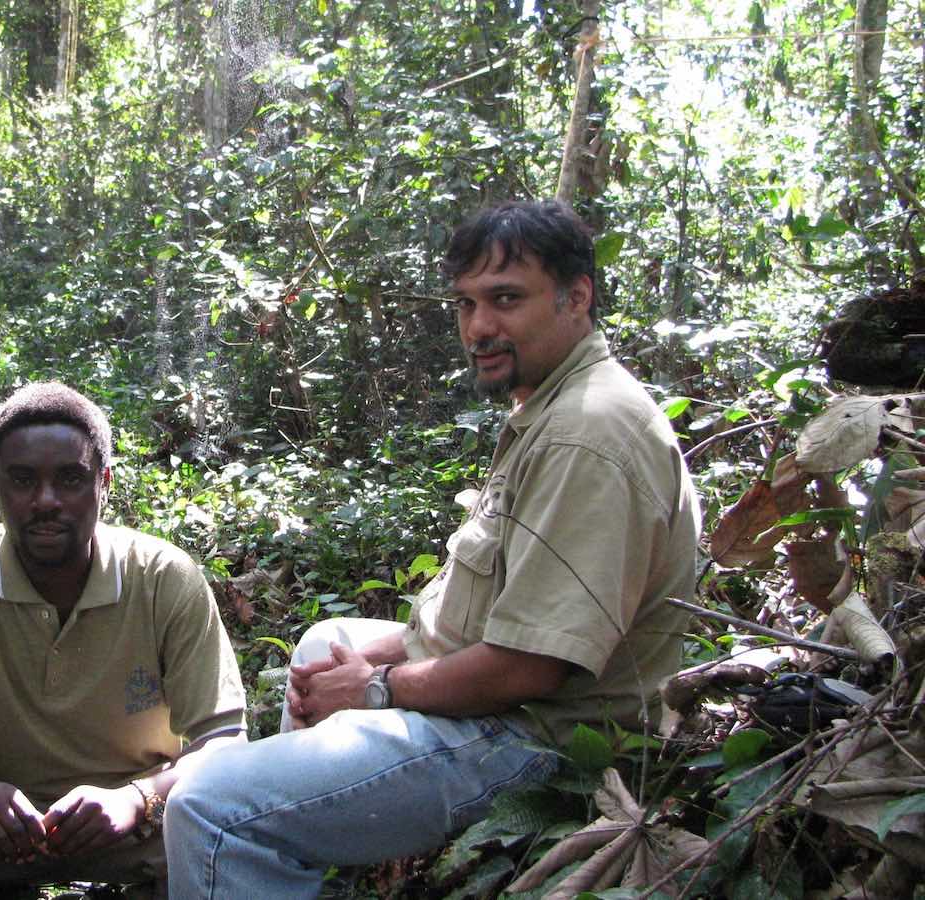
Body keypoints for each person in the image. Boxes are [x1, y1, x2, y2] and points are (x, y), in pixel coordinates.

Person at [165, 200, 702, 899]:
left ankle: (256, 836)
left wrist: (376, 688)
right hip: (506, 704)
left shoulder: (586, 433)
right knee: (327, 642)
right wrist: (363, 668)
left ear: (578, 297)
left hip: (537, 741)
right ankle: (301, 856)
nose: (479, 327)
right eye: (466, 304)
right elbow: (481, 617)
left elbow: (531, 667)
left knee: (210, 807)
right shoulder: (553, 407)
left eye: (506, 299)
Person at [0, 382, 247, 899]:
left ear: (104, 483)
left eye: (70, 479)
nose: (45, 501)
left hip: (139, 822)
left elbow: (225, 741)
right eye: (23, 480)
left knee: (229, 830)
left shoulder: (163, 578)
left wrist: (137, 799)